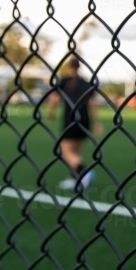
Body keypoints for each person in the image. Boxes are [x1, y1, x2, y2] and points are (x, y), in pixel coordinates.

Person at [47, 57, 102, 191]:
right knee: (76, 151)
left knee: (67, 151)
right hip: (84, 119)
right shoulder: (85, 83)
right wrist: (97, 122)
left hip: (70, 120)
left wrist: (51, 114)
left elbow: (54, 98)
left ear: (68, 67)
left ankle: (84, 173)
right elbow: (92, 103)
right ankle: (75, 178)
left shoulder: (64, 81)